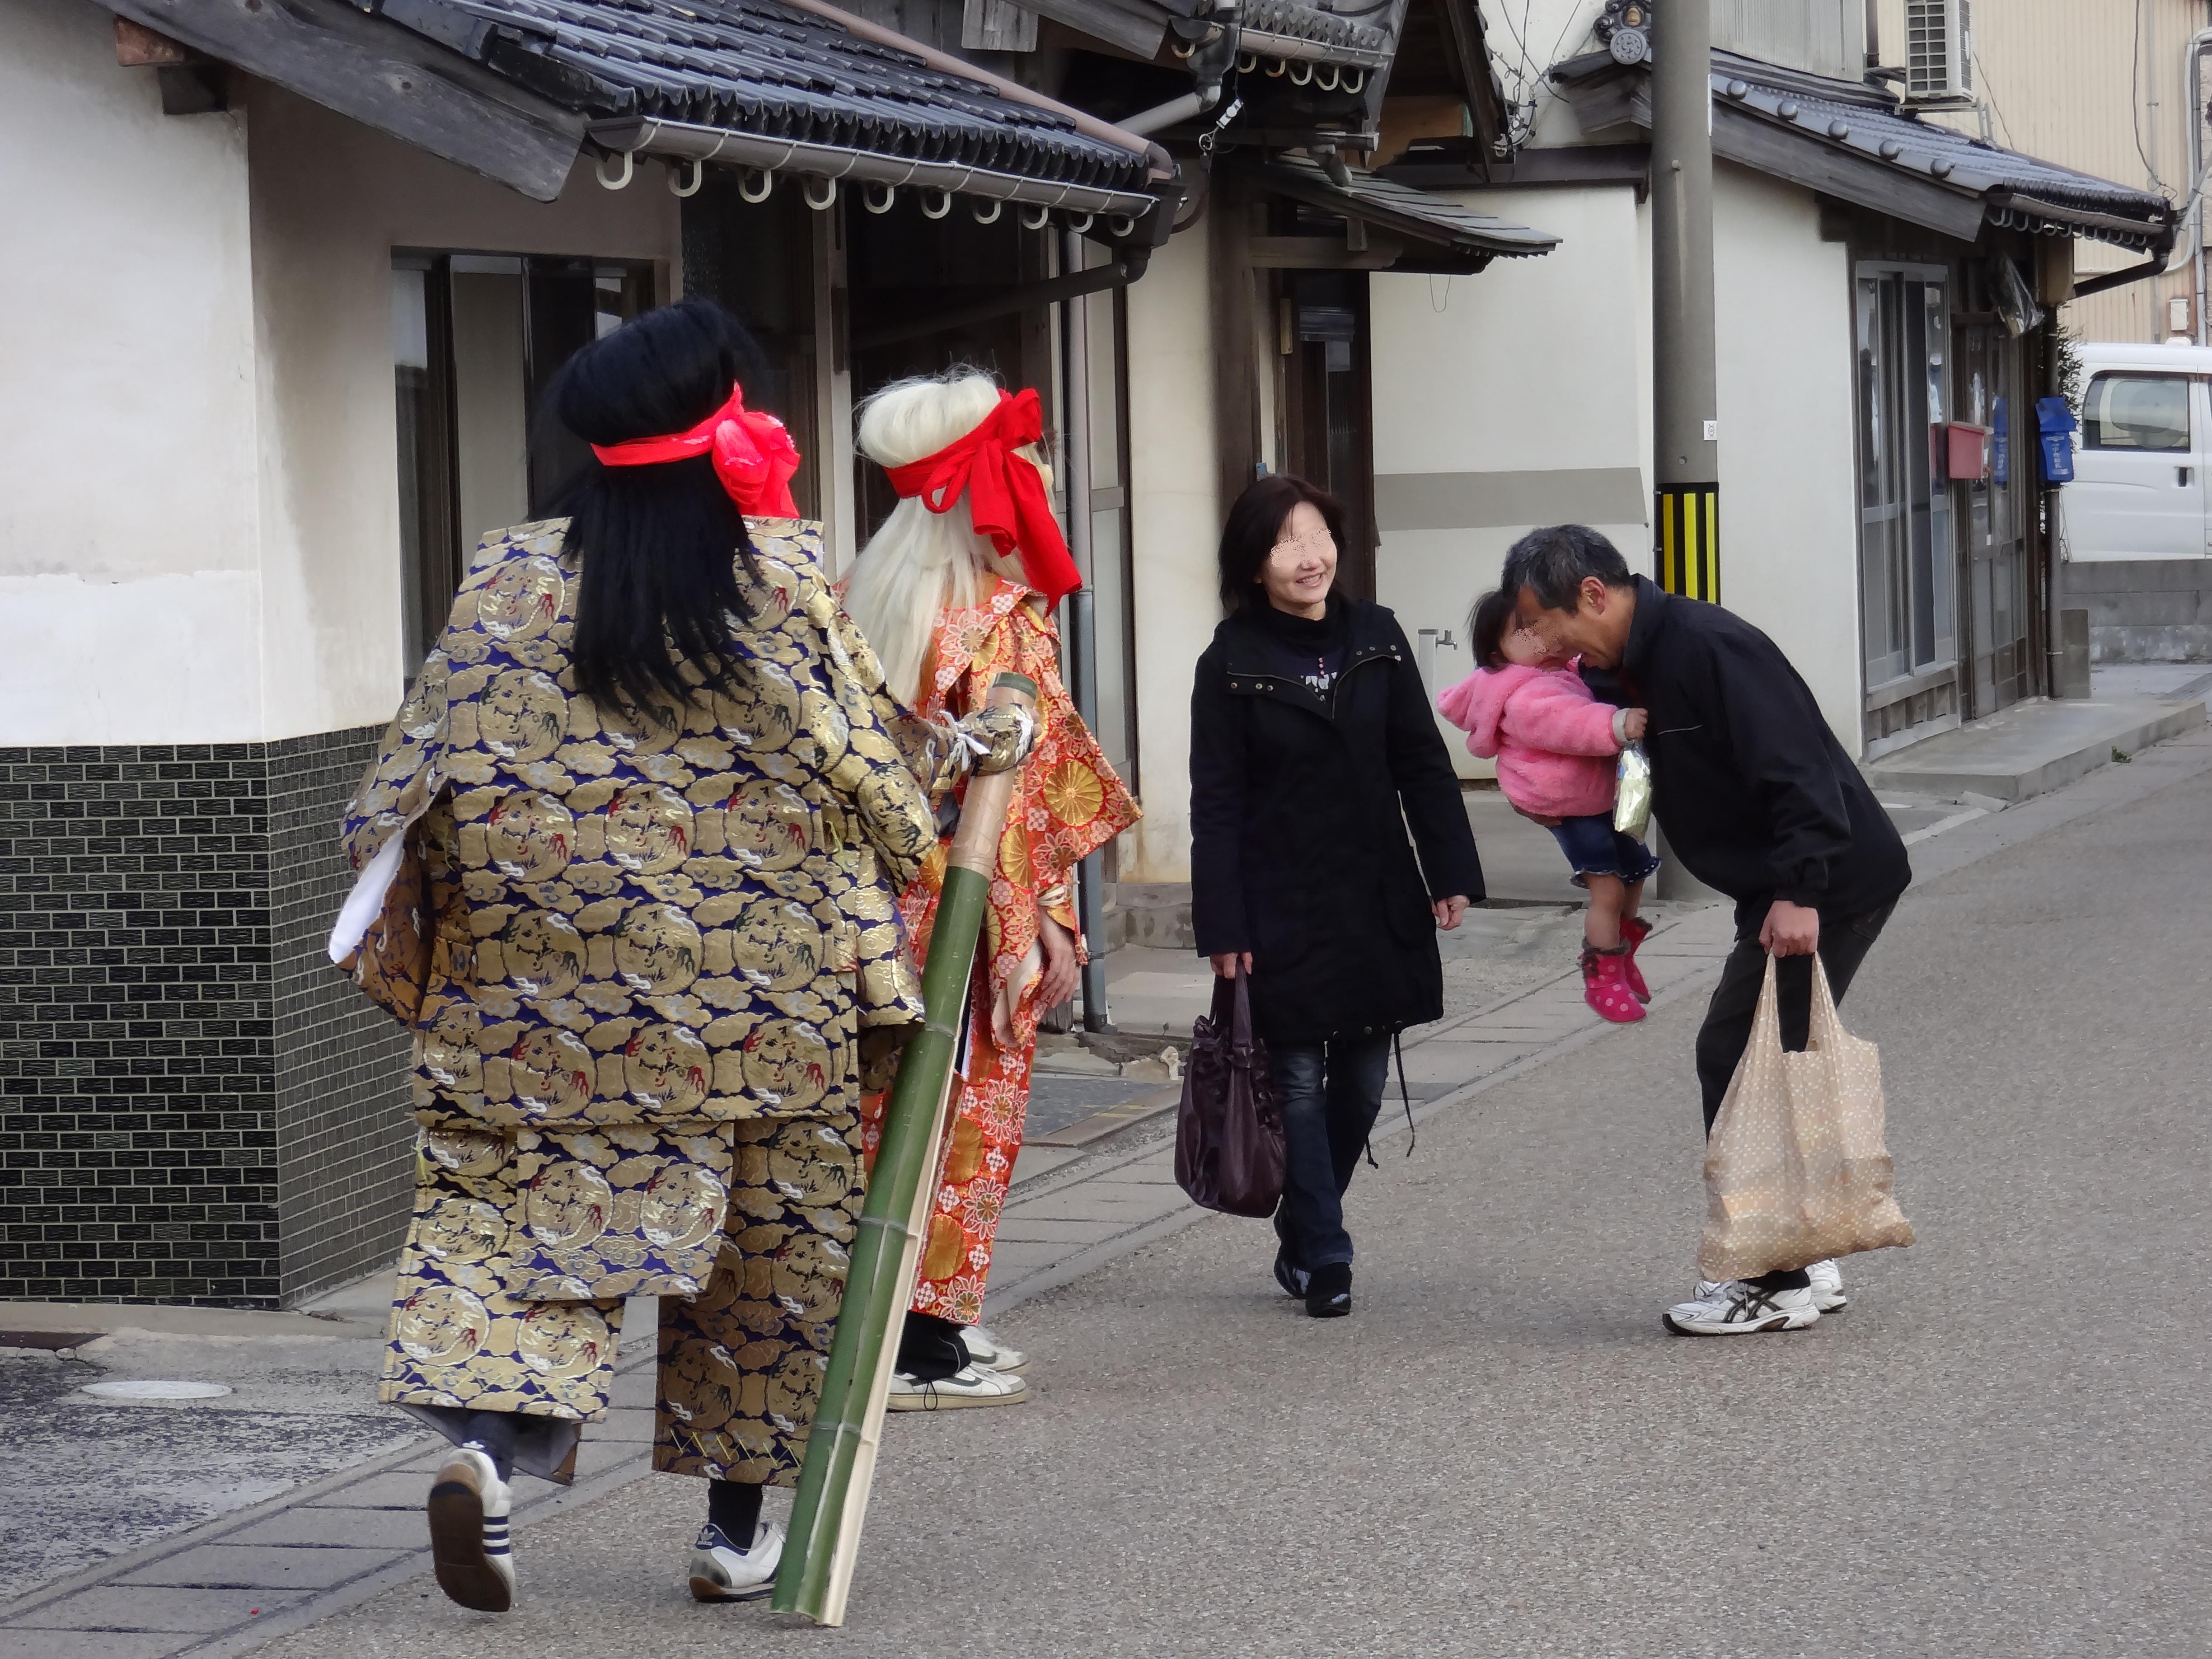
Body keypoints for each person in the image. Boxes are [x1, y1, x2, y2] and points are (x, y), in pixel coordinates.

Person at [330, 300, 1031, 1612]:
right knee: (769, 1260)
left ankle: (488, 1455)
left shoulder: (506, 579)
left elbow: (402, 785)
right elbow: (872, 786)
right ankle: (733, 1531)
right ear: (726, 431)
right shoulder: (777, 577)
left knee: (529, 1233)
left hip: (539, 1010)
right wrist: (953, 761)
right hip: (760, 1013)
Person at [1501, 524, 1911, 1336]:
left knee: (1735, 1054)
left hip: (1820, 884)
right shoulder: (1632, 667)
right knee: (1775, 1059)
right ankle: (1804, 1253)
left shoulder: (1706, 647)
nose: (1543, 641)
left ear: (1592, 593)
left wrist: (1798, 891)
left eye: (1543, 620)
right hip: (1790, 885)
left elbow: (1797, 766)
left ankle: (1773, 1277)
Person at [840, 369, 1139, 1406]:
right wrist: (1040, 923)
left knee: (882, 1116)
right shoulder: (994, 622)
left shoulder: (858, 600)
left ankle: (901, 1323)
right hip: (964, 902)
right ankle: (927, 1332)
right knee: (964, 1110)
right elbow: (1013, 801)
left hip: (874, 907)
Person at [1188, 475, 1483, 1319]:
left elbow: (1421, 762)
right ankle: (1323, 1250)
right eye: (1286, 543)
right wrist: (1223, 920)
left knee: (1357, 1082)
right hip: (1277, 898)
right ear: (1253, 563)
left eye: (1318, 535)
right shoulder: (1230, 662)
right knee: (1299, 1081)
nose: (1310, 557)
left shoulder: (1376, 637)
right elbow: (1215, 800)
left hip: (1374, 888)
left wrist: (1450, 869)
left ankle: (1301, 1223)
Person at [1438, 589, 1659, 1023]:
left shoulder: (1555, 671)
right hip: (1566, 802)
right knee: (1608, 888)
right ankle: (1602, 976)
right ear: (1495, 650)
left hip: (1592, 796)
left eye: (1546, 624)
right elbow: (1567, 723)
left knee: (1634, 873)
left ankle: (1622, 952)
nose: (1544, 638)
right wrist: (1617, 723)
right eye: (1527, 630)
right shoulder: (1522, 692)